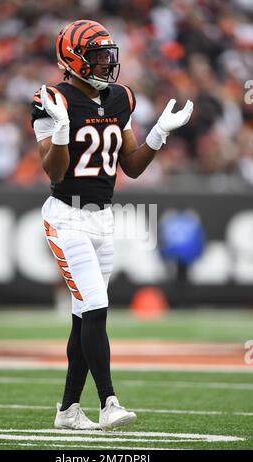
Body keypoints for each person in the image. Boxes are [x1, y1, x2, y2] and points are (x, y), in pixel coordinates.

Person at [31, 19, 193, 430]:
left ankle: (68, 411)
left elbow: (132, 166)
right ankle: (109, 403)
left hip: (104, 217)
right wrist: (63, 131)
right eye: (98, 56)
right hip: (66, 216)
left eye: (108, 55)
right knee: (96, 310)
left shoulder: (121, 98)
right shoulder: (51, 99)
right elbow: (54, 169)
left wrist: (158, 133)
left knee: (84, 316)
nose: (107, 63)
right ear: (72, 59)